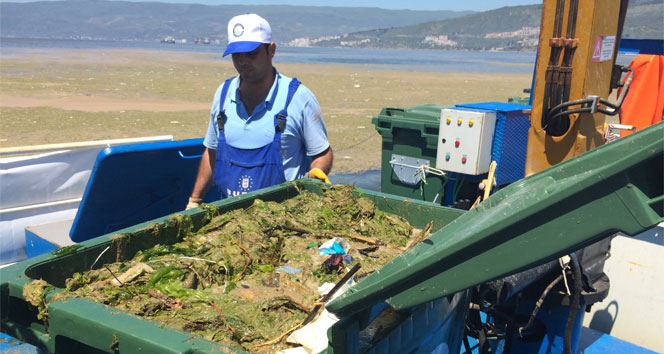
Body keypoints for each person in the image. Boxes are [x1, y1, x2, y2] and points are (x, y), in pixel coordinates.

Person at [187, 13, 333, 209]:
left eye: (251, 54)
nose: (243, 61)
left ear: (271, 50)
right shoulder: (223, 94)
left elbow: (322, 152)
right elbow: (212, 151)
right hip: (231, 219)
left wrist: (316, 174)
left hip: (284, 220)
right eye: (236, 55)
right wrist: (195, 200)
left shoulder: (298, 98)